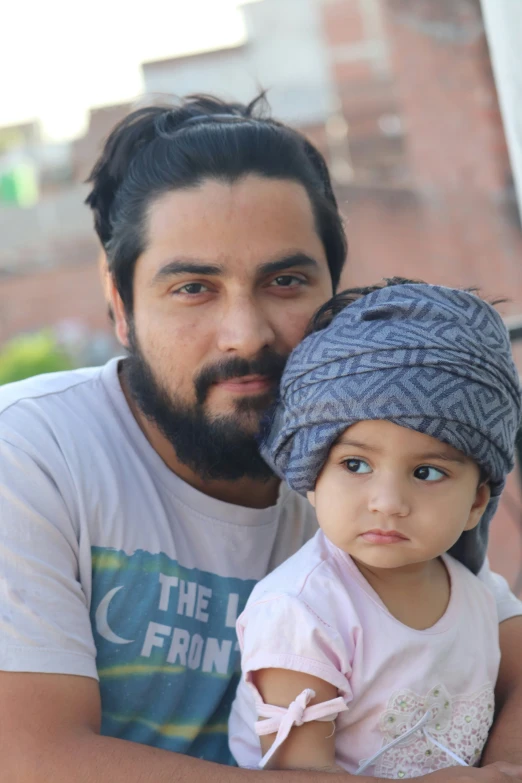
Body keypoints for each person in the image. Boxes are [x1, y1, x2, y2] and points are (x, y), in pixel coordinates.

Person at [0, 95, 521, 783]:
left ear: (336, 294)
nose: (245, 333)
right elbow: (33, 759)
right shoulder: (32, 451)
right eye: (193, 287)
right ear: (120, 303)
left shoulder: (376, 467)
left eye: (285, 281)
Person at [229, 280, 521, 776]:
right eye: (356, 465)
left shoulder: (478, 590)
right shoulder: (303, 613)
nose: (388, 503)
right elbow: (300, 775)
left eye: (427, 473)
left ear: (476, 500)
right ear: (312, 474)